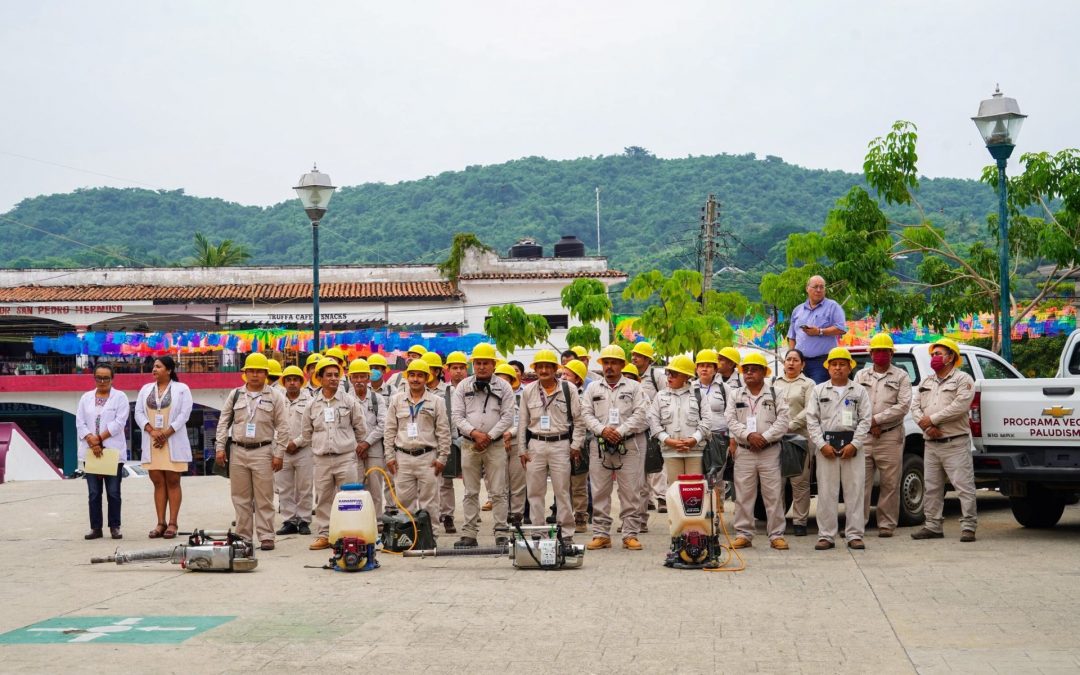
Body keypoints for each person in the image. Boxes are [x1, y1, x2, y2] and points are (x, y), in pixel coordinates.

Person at [214, 353, 290, 550]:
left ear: (266, 373)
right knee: (240, 497)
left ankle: (266, 536)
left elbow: (283, 427)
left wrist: (279, 453)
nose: (255, 375)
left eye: (259, 371)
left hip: (263, 450)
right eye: (251, 371)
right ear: (245, 373)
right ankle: (243, 537)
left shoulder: (276, 397)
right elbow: (223, 422)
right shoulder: (236, 394)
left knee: (264, 497)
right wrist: (220, 447)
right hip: (238, 450)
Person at [582, 345, 649, 551]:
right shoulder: (593, 388)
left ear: (622, 365)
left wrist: (620, 431)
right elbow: (585, 413)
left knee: (630, 490)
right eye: (606, 362)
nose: (609, 366)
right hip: (600, 446)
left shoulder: (634, 387)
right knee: (600, 490)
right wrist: (602, 430)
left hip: (630, 444)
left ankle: (630, 534)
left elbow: (641, 413)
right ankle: (601, 534)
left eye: (614, 362)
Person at [910, 338, 977, 542]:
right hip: (931, 442)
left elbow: (960, 406)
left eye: (938, 354)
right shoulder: (926, 381)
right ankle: (933, 526)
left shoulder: (963, 379)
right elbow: (915, 407)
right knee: (932, 487)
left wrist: (933, 419)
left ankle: (968, 527)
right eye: (932, 355)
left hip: (954, 442)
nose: (934, 358)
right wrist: (928, 426)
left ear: (951, 357)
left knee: (963, 486)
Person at [805, 347, 872, 550]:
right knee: (826, 492)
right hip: (827, 449)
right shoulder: (819, 391)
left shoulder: (859, 391)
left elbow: (865, 420)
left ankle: (854, 535)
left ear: (850, 367)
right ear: (828, 368)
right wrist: (822, 445)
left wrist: (855, 444)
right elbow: (811, 420)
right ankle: (826, 535)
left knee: (855, 491)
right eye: (834, 364)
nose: (838, 367)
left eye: (842, 364)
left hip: (853, 449)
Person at [451, 342, 516, 547]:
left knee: (498, 491)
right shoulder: (463, 386)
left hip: (495, 446)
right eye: (478, 363)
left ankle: (501, 533)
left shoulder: (504, 387)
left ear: (493, 364)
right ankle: (469, 534)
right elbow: (457, 416)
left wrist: (489, 436)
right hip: (470, 445)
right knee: (470, 491)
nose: (481, 367)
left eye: (485, 363)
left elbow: (508, 417)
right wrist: (474, 434)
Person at [518, 349, 586, 542]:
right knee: (534, 491)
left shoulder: (568, 389)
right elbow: (522, 422)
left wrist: (576, 445)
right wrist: (522, 450)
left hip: (561, 444)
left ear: (556, 369)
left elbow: (579, 420)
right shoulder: (528, 391)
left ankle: (566, 533)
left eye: (549, 366)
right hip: (536, 445)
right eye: (540, 367)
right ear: (536, 369)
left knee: (562, 491)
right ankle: (538, 532)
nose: (544, 370)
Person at [726, 352, 791, 550]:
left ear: (764, 372)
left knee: (773, 494)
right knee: (744, 494)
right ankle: (744, 534)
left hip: (769, 450)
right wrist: (748, 436)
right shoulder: (735, 394)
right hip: (745, 451)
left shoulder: (776, 393)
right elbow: (730, 419)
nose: (749, 372)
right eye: (746, 369)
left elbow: (783, 420)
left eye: (754, 369)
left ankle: (776, 535)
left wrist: (765, 437)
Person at [301, 358, 367, 551]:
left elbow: (360, 428)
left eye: (336, 375)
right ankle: (324, 534)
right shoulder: (312, 405)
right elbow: (306, 433)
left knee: (349, 498)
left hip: (345, 457)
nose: (333, 379)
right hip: (321, 459)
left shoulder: (349, 402)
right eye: (328, 375)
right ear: (319, 378)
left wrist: (354, 446)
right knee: (323, 498)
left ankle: (349, 536)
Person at [855, 333, 912, 537]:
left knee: (890, 482)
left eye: (884, 351)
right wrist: (869, 424)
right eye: (876, 351)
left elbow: (903, 406)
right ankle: (857, 524)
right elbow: (853, 402)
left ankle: (886, 524)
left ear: (891, 354)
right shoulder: (861, 376)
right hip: (865, 436)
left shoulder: (901, 376)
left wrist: (876, 420)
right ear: (871, 354)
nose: (880, 354)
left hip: (890, 436)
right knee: (861, 482)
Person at [385, 359, 451, 519]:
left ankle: (430, 538)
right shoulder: (396, 400)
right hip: (403, 459)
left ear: (426, 378)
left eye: (420, 376)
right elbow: (389, 430)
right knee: (404, 502)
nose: (415, 379)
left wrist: (442, 458)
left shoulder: (437, 401)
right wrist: (390, 456)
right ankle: (408, 537)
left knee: (430, 502)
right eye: (412, 375)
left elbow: (443, 432)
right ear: (407, 377)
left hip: (428, 458)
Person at [135, 356, 193, 540]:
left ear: (168, 370)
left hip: (172, 439)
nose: (154, 369)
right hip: (153, 441)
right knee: (158, 482)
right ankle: (160, 523)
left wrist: (166, 433)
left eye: (158, 366)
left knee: (173, 481)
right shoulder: (145, 389)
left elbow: (184, 414)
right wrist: (152, 431)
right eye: (153, 366)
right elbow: (138, 412)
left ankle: (173, 523)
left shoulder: (182, 389)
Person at [76, 364, 129, 540]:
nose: (102, 381)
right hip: (91, 452)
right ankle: (95, 528)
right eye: (99, 377)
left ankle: (115, 526)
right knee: (93, 493)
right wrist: (91, 439)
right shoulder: (85, 398)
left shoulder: (120, 397)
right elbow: (80, 422)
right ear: (94, 378)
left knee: (113, 492)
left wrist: (98, 438)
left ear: (112, 379)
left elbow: (119, 423)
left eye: (106, 378)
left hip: (112, 452)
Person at [772, 349, 816, 537]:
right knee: (777, 482)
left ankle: (800, 521)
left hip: (799, 439)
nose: (791, 363)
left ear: (802, 364)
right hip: (776, 439)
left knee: (799, 482)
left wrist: (789, 425)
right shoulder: (774, 383)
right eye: (788, 359)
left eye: (795, 360)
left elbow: (810, 409)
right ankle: (778, 522)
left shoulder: (809, 384)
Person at [647, 355, 710, 484]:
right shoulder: (660, 396)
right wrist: (668, 440)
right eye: (668, 373)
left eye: (674, 374)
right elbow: (653, 421)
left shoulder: (699, 394)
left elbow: (708, 420)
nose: (669, 377)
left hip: (695, 451)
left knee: (694, 490)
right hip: (670, 451)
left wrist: (694, 439)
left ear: (686, 377)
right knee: (674, 490)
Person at [694, 348, 735, 512]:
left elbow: (732, 415)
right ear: (696, 368)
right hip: (697, 438)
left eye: (708, 366)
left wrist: (732, 439)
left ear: (715, 369)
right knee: (700, 475)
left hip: (720, 438)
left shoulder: (725, 389)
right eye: (701, 365)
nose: (704, 369)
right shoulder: (690, 388)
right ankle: (702, 510)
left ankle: (717, 511)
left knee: (717, 475)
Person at [786, 275, 847, 383]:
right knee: (798, 394)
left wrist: (820, 331)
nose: (819, 290)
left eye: (822, 287)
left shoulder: (833, 306)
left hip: (822, 362)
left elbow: (841, 328)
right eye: (815, 287)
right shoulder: (797, 310)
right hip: (800, 362)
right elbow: (792, 337)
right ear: (807, 288)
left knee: (818, 394)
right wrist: (791, 358)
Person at [276, 365, 313, 536]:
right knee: (284, 487)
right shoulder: (276, 399)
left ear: (301, 382)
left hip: (304, 449)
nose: (292, 383)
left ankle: (304, 520)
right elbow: (270, 425)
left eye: (295, 380)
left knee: (304, 487)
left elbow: (312, 427)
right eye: (288, 380)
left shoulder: (310, 400)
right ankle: (289, 520)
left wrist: (297, 443)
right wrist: (283, 444)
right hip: (282, 450)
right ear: (284, 382)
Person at [349, 358, 388, 518]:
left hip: (374, 451)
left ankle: (377, 519)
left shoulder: (377, 399)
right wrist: (358, 445)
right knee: (356, 488)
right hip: (353, 451)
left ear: (368, 378)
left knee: (375, 488)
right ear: (350, 378)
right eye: (355, 377)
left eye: (362, 377)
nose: (359, 381)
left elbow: (383, 424)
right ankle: (358, 520)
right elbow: (345, 427)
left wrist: (366, 443)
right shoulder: (346, 399)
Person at [438, 351, 469, 533]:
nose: (458, 371)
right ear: (448, 370)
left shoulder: (472, 388)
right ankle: (448, 516)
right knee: (445, 481)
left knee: (470, 481)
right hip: (449, 439)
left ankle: (470, 517)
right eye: (454, 368)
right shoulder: (443, 392)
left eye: (462, 368)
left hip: (468, 438)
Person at [560, 358, 592, 532]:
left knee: (579, 484)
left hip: (581, 444)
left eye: (567, 374)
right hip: (561, 442)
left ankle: (580, 517)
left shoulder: (584, 395)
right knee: (563, 484)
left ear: (578, 379)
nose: (563, 377)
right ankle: (564, 516)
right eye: (562, 374)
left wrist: (578, 444)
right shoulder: (557, 392)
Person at [494, 363, 527, 525]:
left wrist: (509, 434)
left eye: (506, 380)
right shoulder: (490, 398)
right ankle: (502, 514)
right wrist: (500, 435)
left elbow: (523, 420)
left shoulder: (520, 397)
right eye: (499, 380)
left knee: (518, 483)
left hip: (516, 443)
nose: (503, 383)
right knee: (500, 483)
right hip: (496, 444)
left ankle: (517, 514)